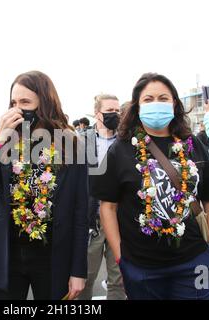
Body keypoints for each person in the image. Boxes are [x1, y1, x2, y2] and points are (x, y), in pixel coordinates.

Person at [91, 73, 209, 300]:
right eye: (148, 99)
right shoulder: (121, 149)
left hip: (194, 261)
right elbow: (108, 207)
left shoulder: (192, 144)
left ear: (174, 103)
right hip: (141, 267)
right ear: (137, 106)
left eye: (163, 98)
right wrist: (121, 258)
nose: (156, 104)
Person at [0, 70, 88, 300]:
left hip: (52, 256)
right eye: (14, 102)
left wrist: (78, 270)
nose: (17, 108)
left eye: (25, 102)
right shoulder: (7, 140)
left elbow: (80, 212)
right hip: (7, 253)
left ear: (44, 103)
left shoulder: (72, 145)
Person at [77, 94, 125, 300]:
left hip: (120, 220)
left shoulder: (127, 141)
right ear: (97, 114)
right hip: (91, 221)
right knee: (84, 277)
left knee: (119, 278)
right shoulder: (81, 141)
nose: (115, 114)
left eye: (118, 111)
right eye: (110, 111)